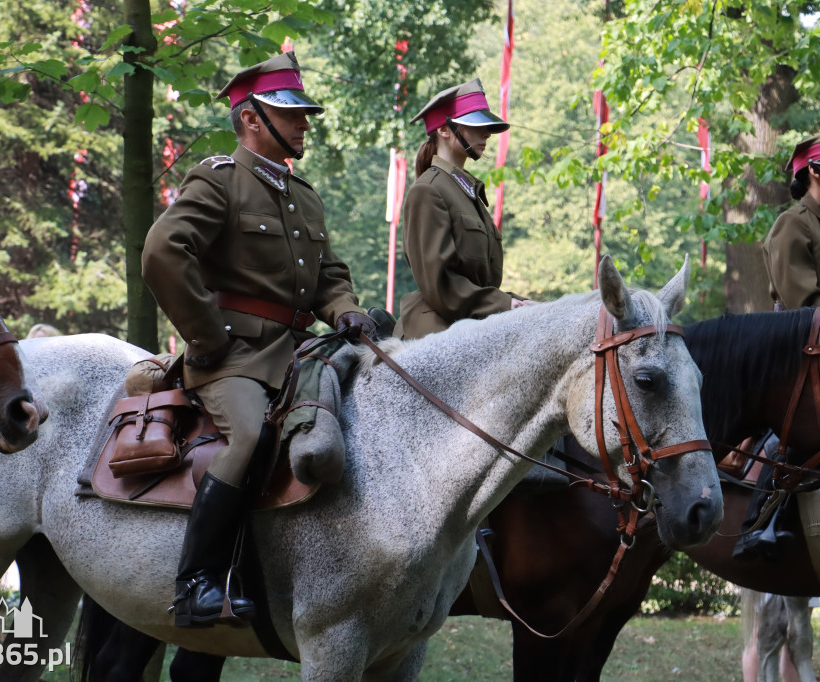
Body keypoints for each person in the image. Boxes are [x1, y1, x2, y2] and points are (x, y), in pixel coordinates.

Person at [142, 51, 375, 628]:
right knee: (248, 436)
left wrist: (345, 311)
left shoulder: (306, 195)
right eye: (291, 114)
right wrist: (206, 335)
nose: (304, 124)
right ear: (251, 118)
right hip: (233, 358)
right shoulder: (219, 179)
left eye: (303, 114)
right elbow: (162, 252)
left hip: (298, 355)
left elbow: (330, 278)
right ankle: (195, 583)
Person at [733, 125, 820, 560]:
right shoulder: (791, 226)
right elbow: (806, 305)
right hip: (802, 350)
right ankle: (758, 525)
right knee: (795, 427)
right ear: (815, 172)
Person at [396, 78, 533, 340]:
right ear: (445, 131)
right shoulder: (428, 191)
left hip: (472, 326)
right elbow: (440, 284)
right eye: (476, 125)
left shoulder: (464, 189)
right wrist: (505, 305)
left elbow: (480, 283)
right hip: (435, 335)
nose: (487, 134)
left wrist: (518, 303)